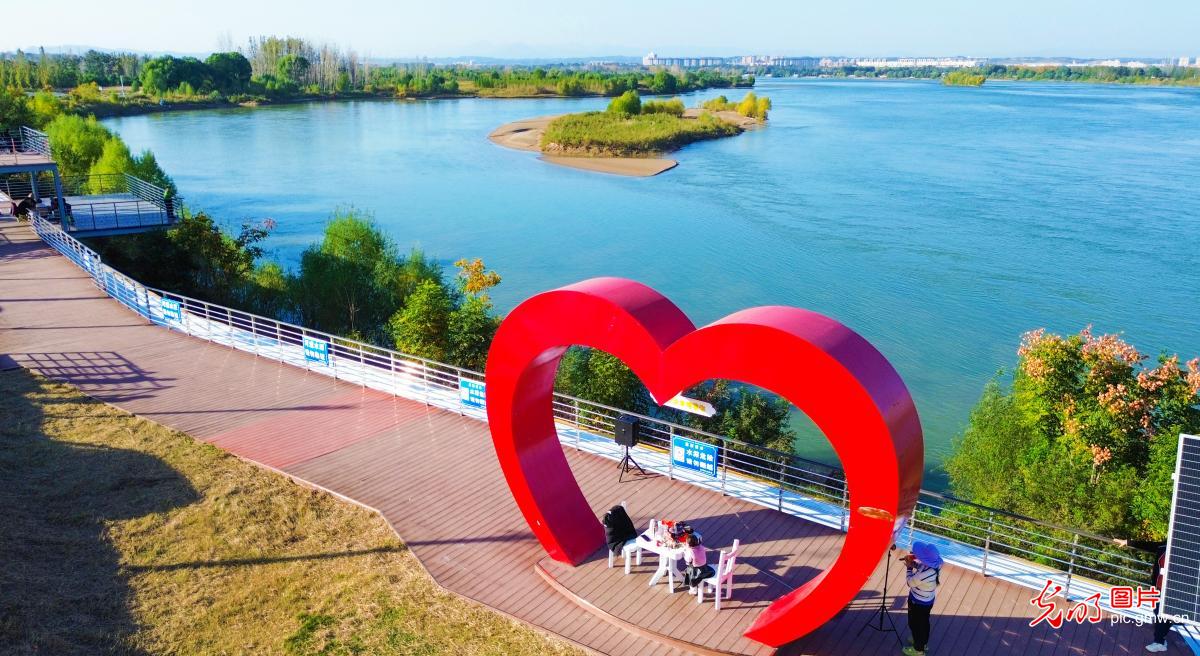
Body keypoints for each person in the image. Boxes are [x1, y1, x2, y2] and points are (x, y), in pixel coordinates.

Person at [1116, 538, 1172, 652]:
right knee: (1160, 613)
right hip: (1159, 587)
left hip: (1173, 590)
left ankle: (1159, 641)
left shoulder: (1190, 550)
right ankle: (1161, 640)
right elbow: (1149, 545)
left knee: (1163, 614)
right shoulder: (1164, 545)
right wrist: (1127, 542)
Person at [902, 541, 942, 656]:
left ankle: (918, 650)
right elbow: (922, 567)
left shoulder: (924, 574)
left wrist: (909, 568)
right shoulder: (935, 566)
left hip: (918, 602)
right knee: (923, 623)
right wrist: (914, 564)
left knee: (915, 624)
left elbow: (910, 582)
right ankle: (922, 643)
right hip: (927, 600)